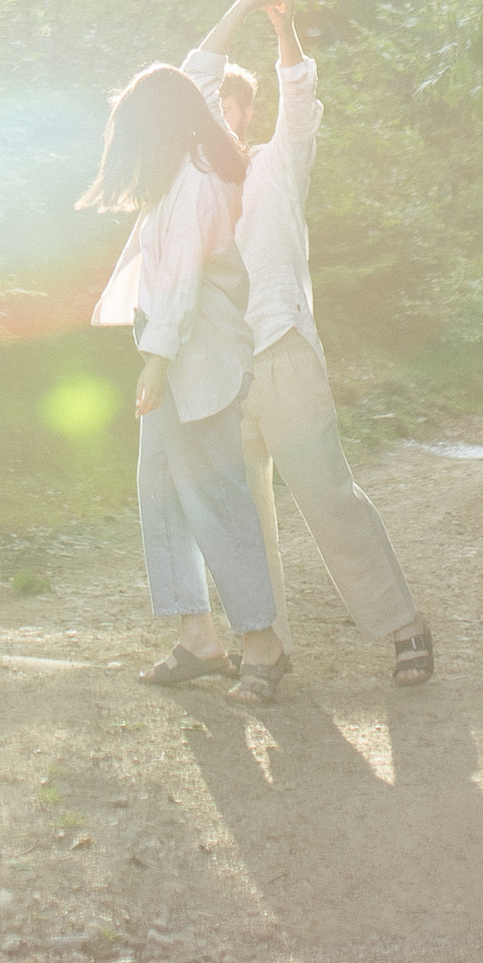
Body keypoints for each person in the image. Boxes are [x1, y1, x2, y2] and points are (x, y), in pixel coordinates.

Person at [181, 0, 435, 688]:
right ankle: (267, 650)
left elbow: (298, 90)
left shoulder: (277, 163)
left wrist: (280, 25)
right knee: (244, 522)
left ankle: (404, 627)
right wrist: (235, 7)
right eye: (210, 107)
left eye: (230, 104)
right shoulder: (197, 187)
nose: (218, 114)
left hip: (283, 351)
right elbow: (194, 76)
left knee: (330, 499)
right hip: (222, 372)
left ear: (246, 112)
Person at [81, 58, 287, 702]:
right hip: (176, 357)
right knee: (162, 491)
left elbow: (180, 282)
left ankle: (263, 645)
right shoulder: (178, 175)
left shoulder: (197, 180)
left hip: (198, 361)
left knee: (217, 499)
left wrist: (157, 360)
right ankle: (198, 638)